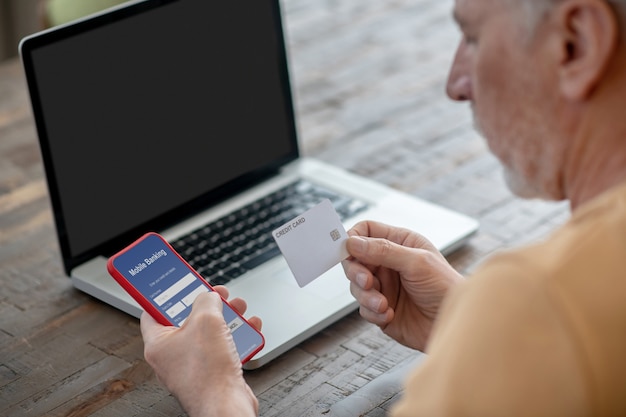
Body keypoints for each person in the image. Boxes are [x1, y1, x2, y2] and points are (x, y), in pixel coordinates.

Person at [140, 0, 626, 415]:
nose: (455, 84)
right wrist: (470, 329)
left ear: (576, 44)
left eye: (473, 38)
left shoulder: (538, 298)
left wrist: (217, 395)